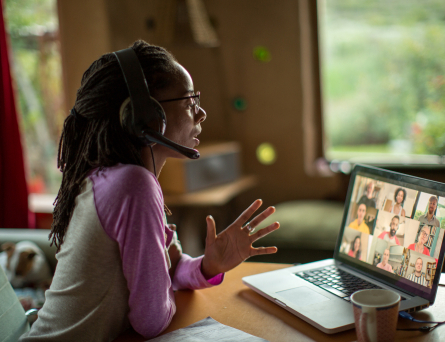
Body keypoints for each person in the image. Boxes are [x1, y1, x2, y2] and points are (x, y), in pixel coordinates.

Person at [19, 41, 280, 341]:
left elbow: (169, 268)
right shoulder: (132, 185)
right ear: (145, 116)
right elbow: (151, 320)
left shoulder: (111, 177)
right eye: (190, 101)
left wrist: (209, 265)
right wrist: (166, 281)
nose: (202, 113)